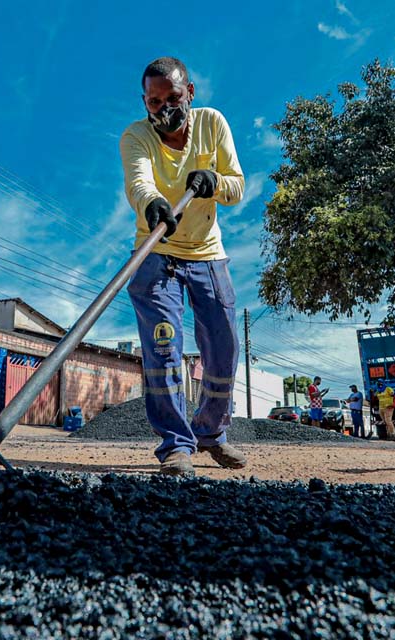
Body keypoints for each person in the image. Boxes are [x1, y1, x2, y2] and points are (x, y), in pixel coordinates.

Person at [121, 56, 247, 477]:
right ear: (145, 103)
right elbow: (139, 183)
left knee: (224, 345)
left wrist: (213, 182)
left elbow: (237, 186)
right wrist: (153, 203)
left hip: (207, 252)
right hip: (156, 252)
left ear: (189, 93)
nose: (164, 108)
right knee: (163, 346)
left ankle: (210, 433)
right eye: (155, 102)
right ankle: (177, 445)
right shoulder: (135, 136)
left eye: (172, 97)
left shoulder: (212, 123)